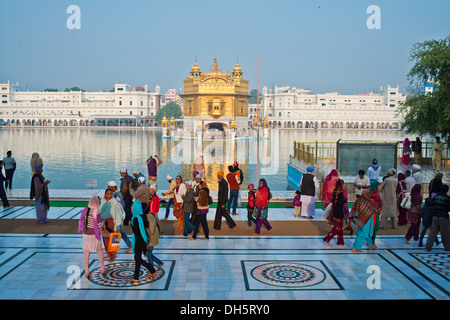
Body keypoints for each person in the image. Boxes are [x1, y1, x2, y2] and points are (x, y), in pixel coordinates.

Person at [129, 200, 157, 283]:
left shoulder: (135, 218)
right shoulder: (141, 216)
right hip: (142, 241)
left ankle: (152, 270)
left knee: (138, 258)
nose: (131, 208)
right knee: (137, 259)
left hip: (138, 241)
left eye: (132, 206)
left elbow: (136, 232)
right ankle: (136, 277)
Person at [78, 195, 106, 278]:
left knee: (86, 253)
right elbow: (99, 224)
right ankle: (102, 268)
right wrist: (103, 223)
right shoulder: (97, 211)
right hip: (94, 234)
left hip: (86, 234)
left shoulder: (85, 210)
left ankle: (86, 271)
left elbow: (82, 220)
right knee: (99, 251)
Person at [100, 188, 132, 254]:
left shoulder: (114, 202)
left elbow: (118, 213)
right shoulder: (103, 202)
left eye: (110, 194)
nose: (109, 195)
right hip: (105, 223)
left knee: (116, 236)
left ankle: (113, 253)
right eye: (107, 194)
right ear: (105, 194)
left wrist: (117, 223)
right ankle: (109, 251)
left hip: (114, 223)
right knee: (106, 237)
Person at [425, 184, 450, 252]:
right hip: (443, 217)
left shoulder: (436, 196)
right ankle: (447, 247)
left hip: (435, 216)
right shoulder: (447, 198)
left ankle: (428, 246)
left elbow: (432, 204)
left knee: (433, 232)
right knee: (445, 233)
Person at [323, 179, 347, 246]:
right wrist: (345, 201)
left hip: (335, 210)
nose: (344, 185)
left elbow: (333, 200)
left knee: (340, 228)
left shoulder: (335, 191)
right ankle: (327, 238)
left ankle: (340, 241)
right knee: (336, 228)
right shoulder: (340, 193)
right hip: (338, 212)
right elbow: (340, 203)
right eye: (343, 184)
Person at [145, 202, 163, 271]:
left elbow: (151, 230)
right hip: (151, 237)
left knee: (149, 253)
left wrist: (145, 230)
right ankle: (159, 263)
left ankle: (151, 269)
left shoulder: (149, 216)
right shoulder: (148, 215)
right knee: (149, 253)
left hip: (152, 238)